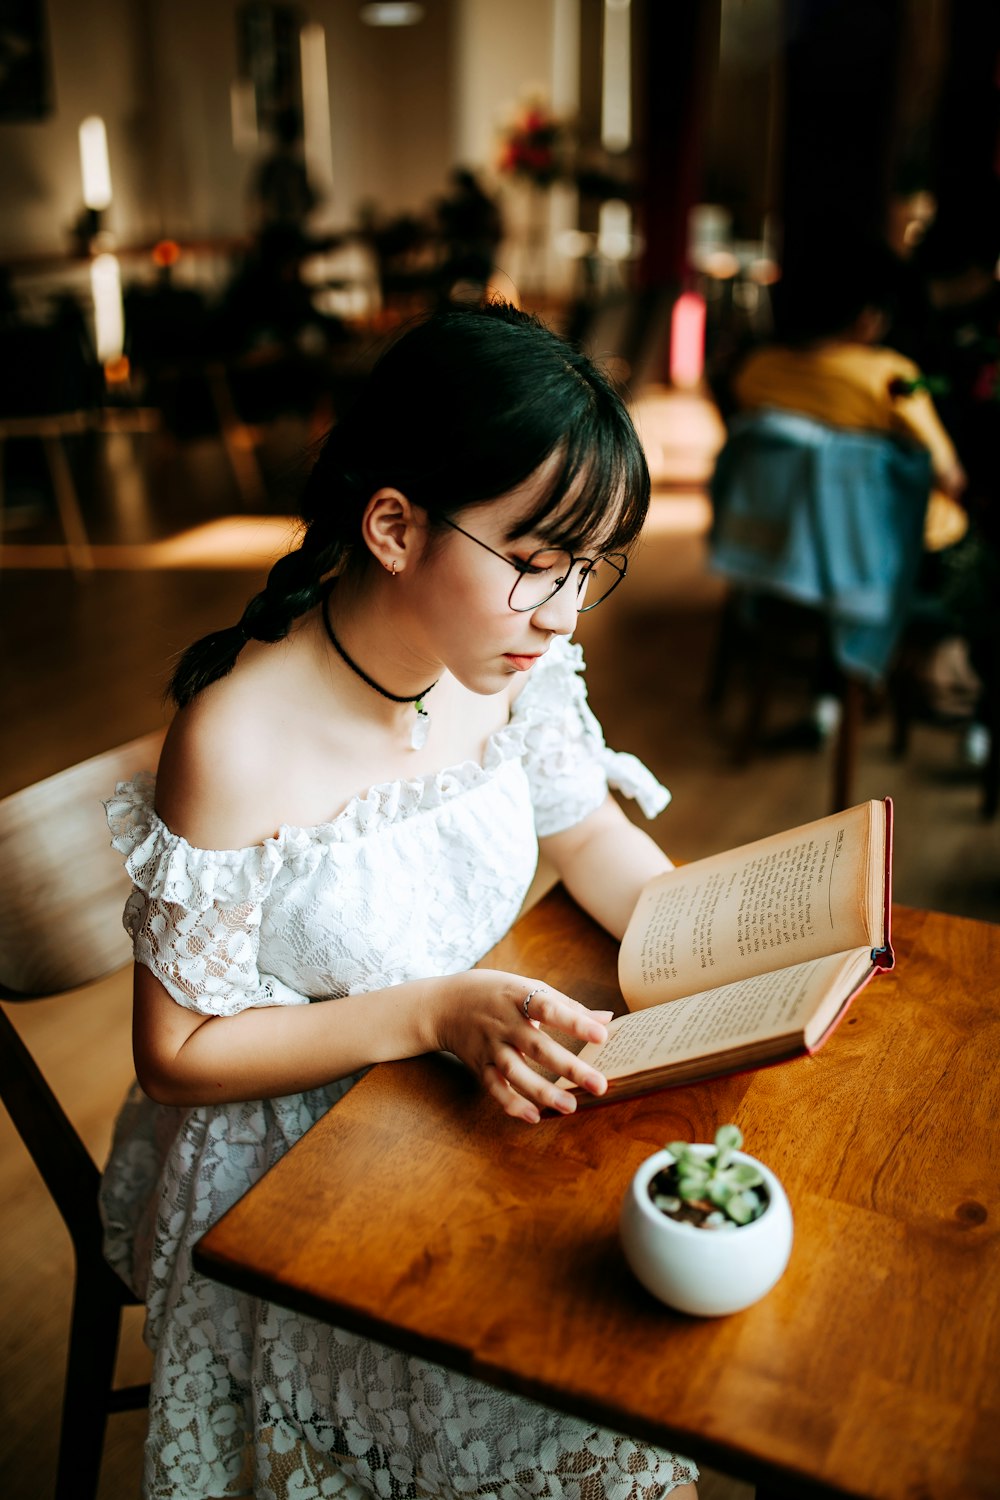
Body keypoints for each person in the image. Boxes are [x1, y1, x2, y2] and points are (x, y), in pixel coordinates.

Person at [100, 300, 698, 1500]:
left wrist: (722, 930)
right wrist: (432, 1014)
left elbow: (584, 831)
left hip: (466, 1084)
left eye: (588, 571)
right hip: (293, 1168)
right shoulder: (237, 740)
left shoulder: (509, 666)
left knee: (640, 1320)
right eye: (533, 566)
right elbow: (176, 1054)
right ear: (392, 526)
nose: (564, 612)